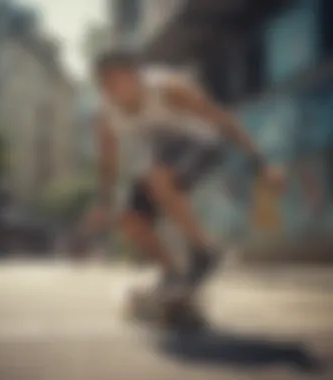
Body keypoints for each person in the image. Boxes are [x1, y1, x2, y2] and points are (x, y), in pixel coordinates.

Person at [84, 50, 284, 297]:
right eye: (104, 85)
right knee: (129, 219)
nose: (110, 92)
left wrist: (262, 163)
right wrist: (104, 203)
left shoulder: (167, 88)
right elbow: (108, 164)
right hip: (160, 160)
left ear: (134, 76)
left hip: (202, 143)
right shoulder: (106, 116)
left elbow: (222, 118)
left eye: (115, 82)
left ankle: (203, 252)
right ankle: (172, 273)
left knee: (159, 177)